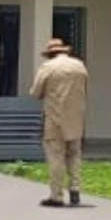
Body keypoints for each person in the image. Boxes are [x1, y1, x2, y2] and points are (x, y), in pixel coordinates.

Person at [30, 36, 90, 209]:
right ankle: (75, 189)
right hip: (77, 118)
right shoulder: (79, 66)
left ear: (50, 54)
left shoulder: (48, 67)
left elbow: (35, 92)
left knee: (56, 157)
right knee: (74, 154)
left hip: (55, 118)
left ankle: (56, 195)